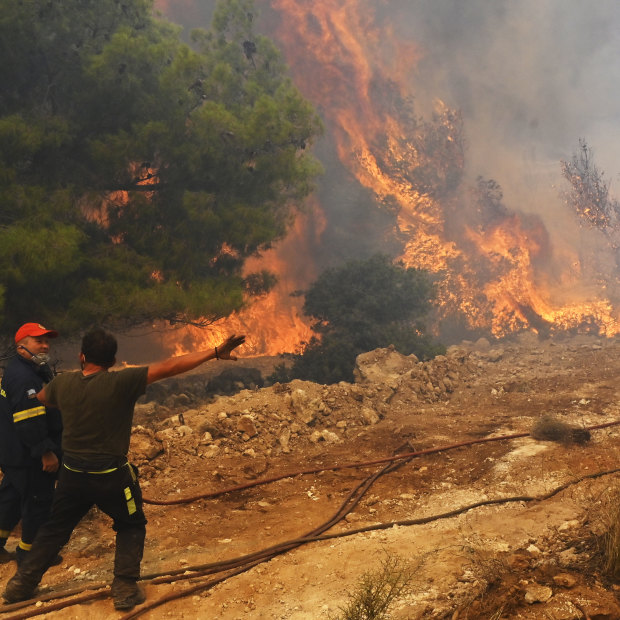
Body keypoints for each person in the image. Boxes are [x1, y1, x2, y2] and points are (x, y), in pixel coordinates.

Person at [2, 327, 245, 610]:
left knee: (55, 528)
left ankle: (22, 585)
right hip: (110, 476)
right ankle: (125, 587)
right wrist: (214, 352)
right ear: (114, 361)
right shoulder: (122, 382)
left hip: (72, 475)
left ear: (82, 357)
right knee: (131, 525)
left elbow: (41, 398)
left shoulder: (63, 385)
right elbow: (169, 367)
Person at [0, 323, 63, 566]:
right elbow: (29, 421)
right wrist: (45, 452)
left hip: (13, 451)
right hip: (28, 454)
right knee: (39, 500)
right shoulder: (24, 376)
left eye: (47, 340)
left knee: (12, 496)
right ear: (21, 345)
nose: (45, 345)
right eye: (38, 340)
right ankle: (31, 554)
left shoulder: (29, 369)